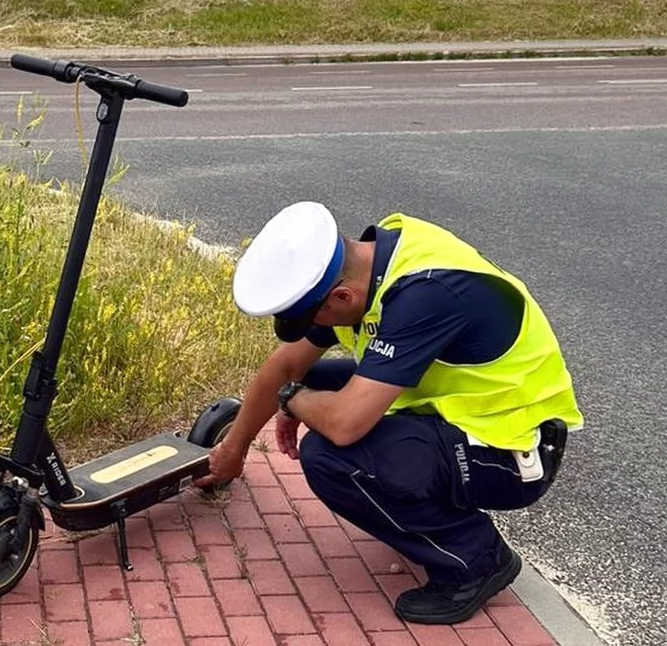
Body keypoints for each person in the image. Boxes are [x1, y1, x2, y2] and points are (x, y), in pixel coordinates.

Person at [194, 201, 583, 625]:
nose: (316, 329)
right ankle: (424, 505)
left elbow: (343, 425)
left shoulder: (426, 294)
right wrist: (236, 446)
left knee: (328, 455)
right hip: (458, 406)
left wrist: (294, 400)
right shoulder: (364, 266)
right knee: (320, 381)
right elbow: (288, 365)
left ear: (341, 296)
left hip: (513, 450)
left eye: (316, 318)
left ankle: (474, 558)